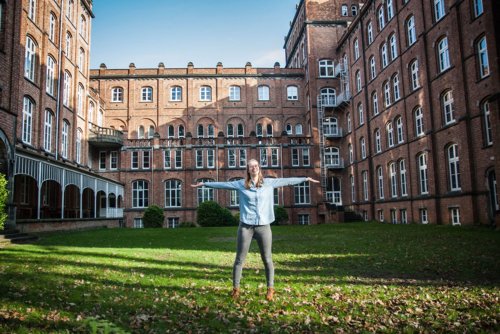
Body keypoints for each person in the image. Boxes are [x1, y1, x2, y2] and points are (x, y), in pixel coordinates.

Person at [191, 158, 319, 301]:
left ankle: (270, 289)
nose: (254, 168)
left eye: (256, 166)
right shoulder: (241, 184)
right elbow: (224, 185)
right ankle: (236, 289)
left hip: (264, 226)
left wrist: (305, 179)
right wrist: (205, 183)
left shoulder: (269, 183)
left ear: (259, 168)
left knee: (267, 259)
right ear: (248, 169)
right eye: (251, 166)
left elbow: (287, 181)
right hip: (246, 226)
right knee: (239, 259)